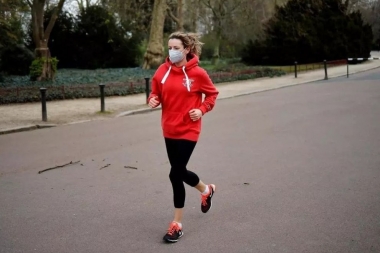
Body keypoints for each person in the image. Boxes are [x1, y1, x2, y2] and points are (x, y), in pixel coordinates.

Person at [147, 31, 219, 243]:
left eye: (176, 48)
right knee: (178, 171)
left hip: (189, 129)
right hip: (169, 128)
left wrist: (202, 109)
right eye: (170, 48)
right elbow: (155, 92)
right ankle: (206, 190)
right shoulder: (162, 71)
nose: (172, 52)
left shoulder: (198, 73)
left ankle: (177, 224)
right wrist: (152, 99)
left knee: (175, 174)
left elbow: (212, 94)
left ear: (187, 49)